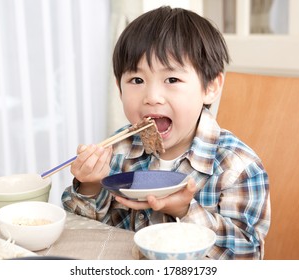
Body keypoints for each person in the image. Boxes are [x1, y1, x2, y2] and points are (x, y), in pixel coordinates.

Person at [62, 6, 270, 260]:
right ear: (119, 89)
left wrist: (185, 210)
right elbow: (90, 231)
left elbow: (247, 256)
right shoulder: (121, 148)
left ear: (211, 87)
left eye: (171, 79)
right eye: (137, 81)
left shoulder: (237, 167)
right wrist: (91, 184)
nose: (152, 97)